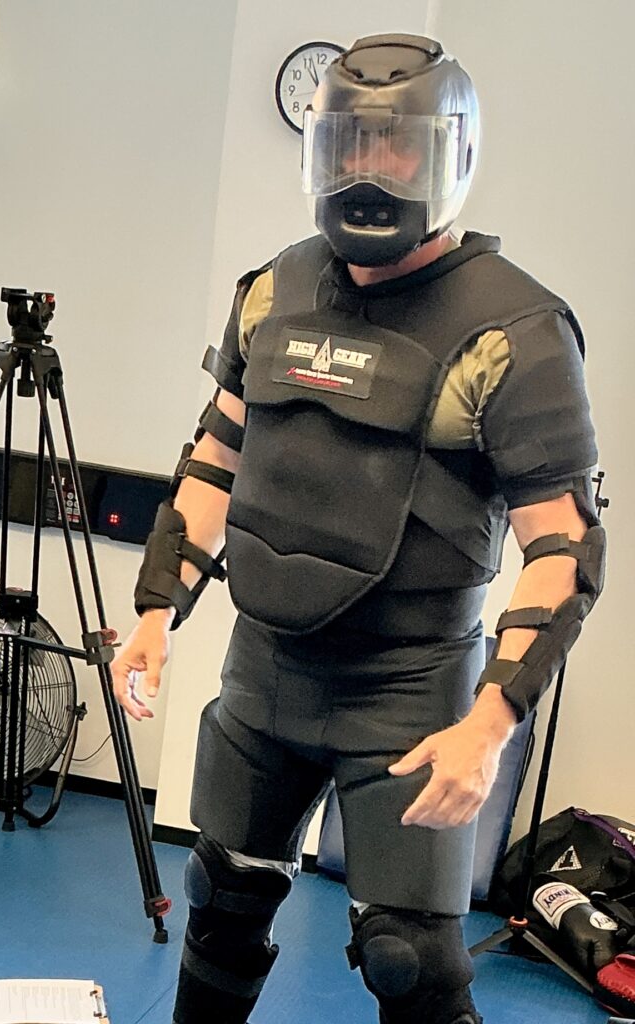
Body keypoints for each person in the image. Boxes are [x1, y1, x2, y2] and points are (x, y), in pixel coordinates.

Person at [110, 33, 605, 1024]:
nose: (367, 171)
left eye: (397, 148)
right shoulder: (273, 288)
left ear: (449, 155)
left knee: (406, 961)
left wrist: (488, 723)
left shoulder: (513, 331)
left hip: (407, 692)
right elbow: (218, 453)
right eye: (347, 145)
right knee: (220, 900)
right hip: (263, 671)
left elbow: (564, 549)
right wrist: (156, 611)